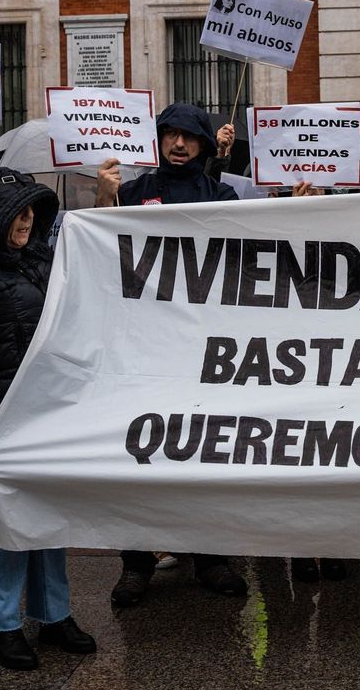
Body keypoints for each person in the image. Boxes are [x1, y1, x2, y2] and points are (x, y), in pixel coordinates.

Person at [97, 103, 249, 605]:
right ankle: (135, 563)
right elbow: (100, 250)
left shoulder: (221, 194)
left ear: (204, 143)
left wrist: (295, 202)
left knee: (206, 456)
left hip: (205, 351)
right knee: (139, 457)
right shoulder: (133, 192)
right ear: (158, 140)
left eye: (189, 136)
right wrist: (103, 198)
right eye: (170, 135)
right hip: (144, 349)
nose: (179, 144)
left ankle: (210, 557)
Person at [0, 166, 96, 670]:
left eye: (32, 210)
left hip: (43, 411)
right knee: (5, 521)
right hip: (1, 418)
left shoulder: (38, 261)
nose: (27, 220)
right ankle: (3, 625)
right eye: (17, 212)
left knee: (47, 516)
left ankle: (54, 614)